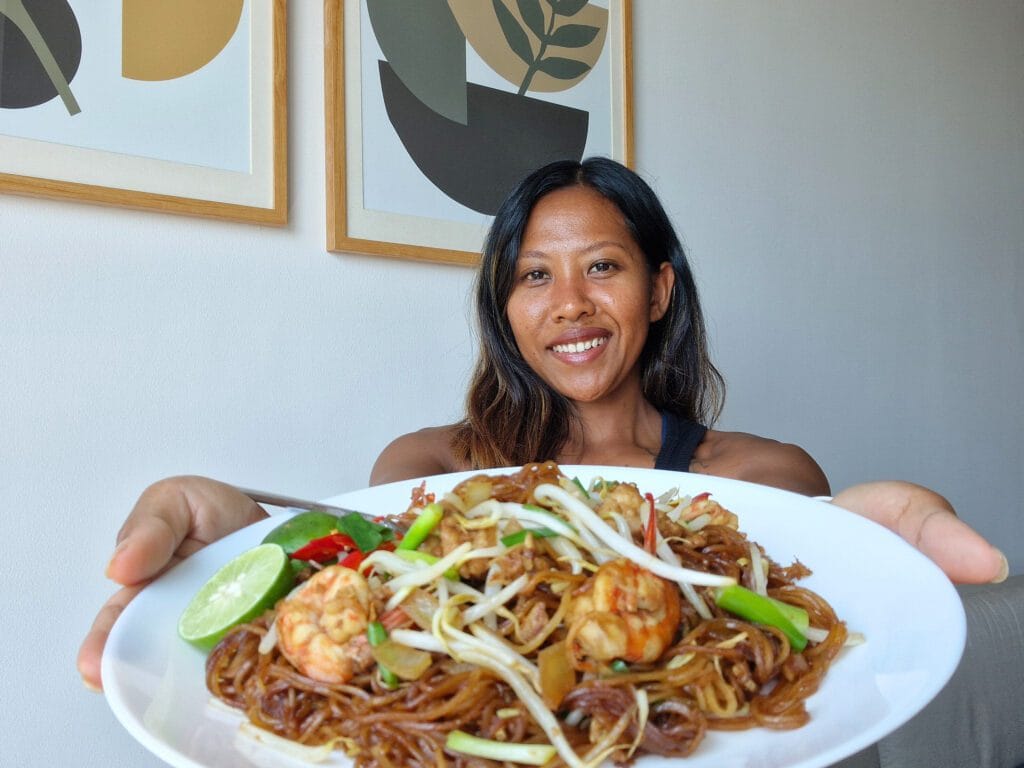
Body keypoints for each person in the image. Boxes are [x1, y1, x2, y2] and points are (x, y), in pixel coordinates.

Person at [77, 158, 1007, 691]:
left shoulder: (763, 479)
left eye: (603, 267)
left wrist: (872, 573)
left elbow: (804, 669)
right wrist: (258, 553)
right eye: (533, 276)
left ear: (659, 291)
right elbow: (366, 608)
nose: (568, 303)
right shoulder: (427, 465)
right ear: (505, 309)